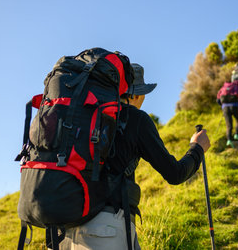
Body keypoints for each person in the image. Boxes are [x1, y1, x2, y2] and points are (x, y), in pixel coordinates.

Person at [60, 63, 211, 250]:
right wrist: (197, 148)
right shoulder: (135, 119)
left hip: (62, 230)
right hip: (106, 230)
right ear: (135, 95)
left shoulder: (79, 118)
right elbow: (175, 174)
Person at [216, 80, 238, 148]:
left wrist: (222, 106)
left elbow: (218, 100)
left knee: (229, 125)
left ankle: (229, 140)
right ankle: (236, 134)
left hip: (225, 107)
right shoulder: (236, 86)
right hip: (235, 105)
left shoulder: (223, 88)